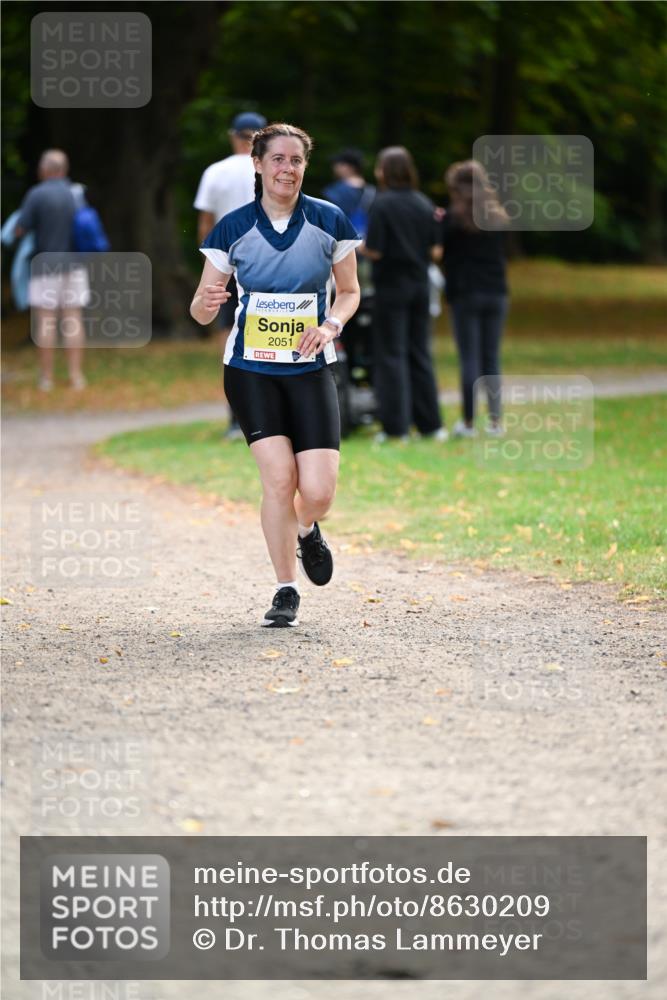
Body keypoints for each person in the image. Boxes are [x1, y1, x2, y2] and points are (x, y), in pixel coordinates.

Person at [190, 123, 361, 628]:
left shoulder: (329, 220)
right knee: (279, 479)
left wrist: (331, 324)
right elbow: (202, 309)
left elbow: (348, 292)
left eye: (297, 161)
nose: (288, 169)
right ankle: (285, 588)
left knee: (320, 491)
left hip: (310, 368)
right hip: (250, 371)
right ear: (259, 164)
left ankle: (308, 528)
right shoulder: (232, 228)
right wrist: (204, 303)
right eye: (279, 160)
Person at [363, 146, 446, 442]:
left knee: (391, 355)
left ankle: (396, 427)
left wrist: (357, 247)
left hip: (391, 287)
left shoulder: (382, 204)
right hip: (420, 286)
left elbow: (375, 249)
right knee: (419, 352)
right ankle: (431, 424)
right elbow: (436, 250)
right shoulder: (424, 203)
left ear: (384, 171)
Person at [194, 111, 267, 438]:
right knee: (269, 334)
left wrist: (209, 264)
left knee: (230, 338)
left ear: (232, 135)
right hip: (267, 261)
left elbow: (205, 225)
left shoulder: (215, 172)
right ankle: (268, 413)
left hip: (228, 262)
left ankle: (237, 418)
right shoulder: (270, 168)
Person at [440, 160, 509, 437]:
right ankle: (495, 421)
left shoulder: (452, 219)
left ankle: (468, 422)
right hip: (497, 291)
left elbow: (441, 253)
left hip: (465, 293)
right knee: (491, 358)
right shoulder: (499, 217)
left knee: (469, 358)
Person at [15, 149, 89, 391]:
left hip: (45, 265)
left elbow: (20, 229)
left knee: (46, 321)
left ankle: (46, 378)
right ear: (64, 170)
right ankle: (76, 376)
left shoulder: (36, 194)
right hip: (74, 264)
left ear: (44, 170)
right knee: (73, 319)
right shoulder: (76, 193)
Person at [322, 148, 376, 239]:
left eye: (338, 164)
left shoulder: (335, 191)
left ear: (348, 167)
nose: (334, 167)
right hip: (367, 244)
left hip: (343, 245)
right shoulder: (373, 191)